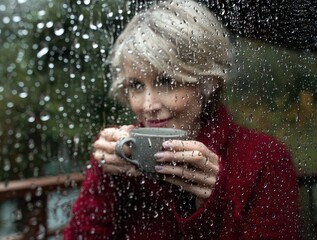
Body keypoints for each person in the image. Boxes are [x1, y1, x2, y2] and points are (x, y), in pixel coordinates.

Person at [63, 0, 300, 239]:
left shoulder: (267, 159)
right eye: (135, 85)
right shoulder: (123, 152)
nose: (148, 106)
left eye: (166, 81)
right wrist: (104, 175)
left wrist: (215, 202)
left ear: (208, 82)